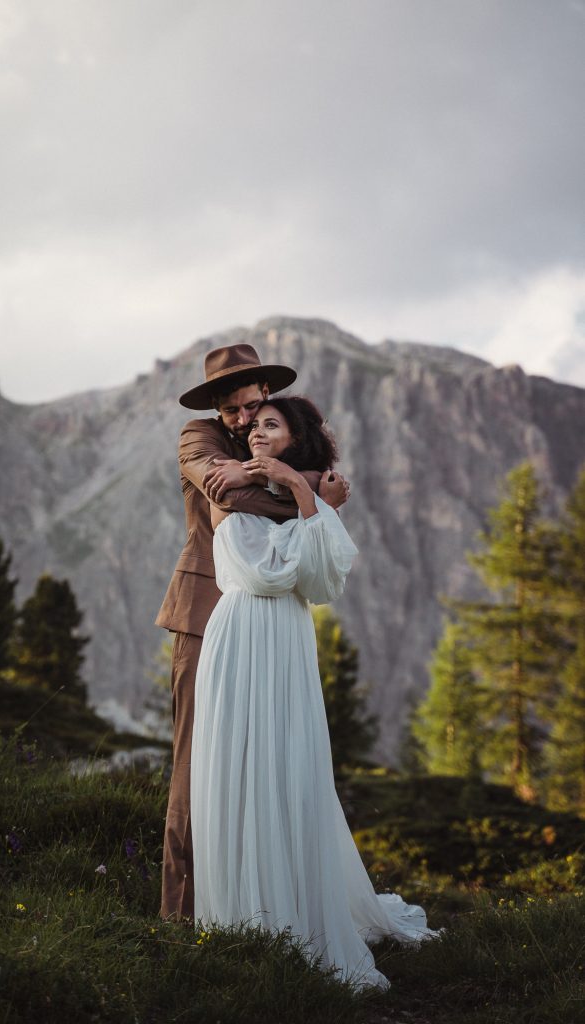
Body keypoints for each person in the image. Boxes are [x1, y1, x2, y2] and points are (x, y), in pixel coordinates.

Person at [190, 397, 439, 990]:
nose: (253, 433)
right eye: (251, 426)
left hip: (288, 639)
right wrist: (306, 501)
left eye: (269, 425)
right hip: (243, 632)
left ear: (294, 439)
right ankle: (243, 917)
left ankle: (297, 904)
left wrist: (297, 491)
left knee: (289, 769)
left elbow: (323, 581)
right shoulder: (226, 491)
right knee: (242, 768)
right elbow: (265, 574)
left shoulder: (297, 498)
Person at [156, 345, 349, 921]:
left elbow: (329, 477)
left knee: (272, 765)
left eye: (256, 405)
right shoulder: (198, 439)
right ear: (218, 407)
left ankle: (265, 905)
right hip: (204, 614)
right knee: (197, 768)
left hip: (269, 622)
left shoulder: (272, 441)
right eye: (236, 409)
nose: (246, 419)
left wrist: (295, 479)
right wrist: (311, 496)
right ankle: (181, 914)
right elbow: (228, 493)